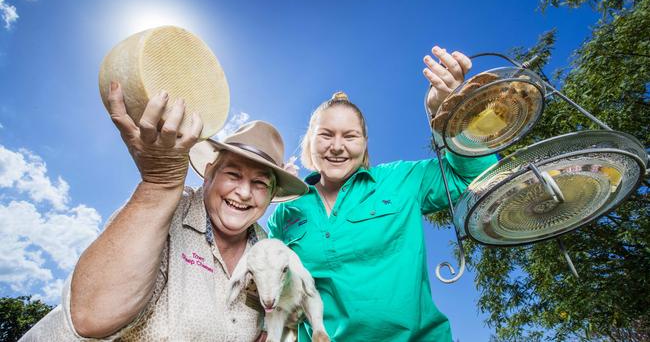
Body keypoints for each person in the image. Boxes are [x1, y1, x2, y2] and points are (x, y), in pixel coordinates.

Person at [20, 82, 307, 341]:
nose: (244, 193)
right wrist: (158, 185)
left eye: (259, 184)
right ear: (209, 174)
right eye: (233, 174)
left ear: (271, 196)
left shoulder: (267, 249)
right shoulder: (165, 208)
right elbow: (91, 318)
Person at [267, 46, 498, 341]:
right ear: (310, 141)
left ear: (364, 144)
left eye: (350, 136)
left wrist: (451, 111)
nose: (337, 146)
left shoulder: (401, 180)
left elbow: (475, 179)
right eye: (326, 135)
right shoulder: (287, 212)